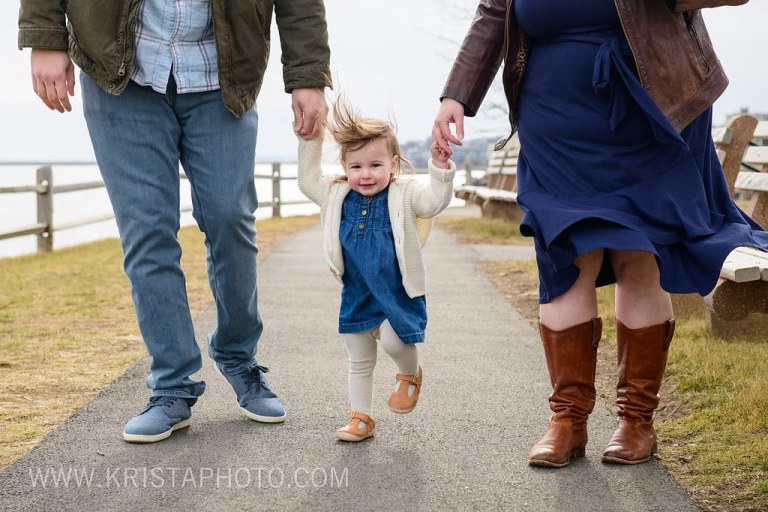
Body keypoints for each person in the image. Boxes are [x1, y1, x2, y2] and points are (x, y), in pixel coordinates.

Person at [433, 0, 766, 467]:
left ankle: (636, 421)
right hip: (553, 117)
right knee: (565, 256)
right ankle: (567, 420)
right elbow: (494, 11)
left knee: (639, 255)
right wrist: (457, 94)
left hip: (649, 105)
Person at [18, 0, 331, 443]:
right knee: (147, 233)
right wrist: (44, 37)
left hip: (221, 74)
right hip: (121, 73)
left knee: (231, 221)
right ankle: (172, 385)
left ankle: (238, 356)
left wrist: (307, 75)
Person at [298, 99, 455, 441]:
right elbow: (309, 180)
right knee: (358, 358)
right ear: (344, 165)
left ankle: (409, 373)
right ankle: (361, 418)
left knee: (393, 343)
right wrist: (310, 138)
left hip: (397, 292)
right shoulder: (336, 194)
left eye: (374, 165)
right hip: (356, 293)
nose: (364, 174)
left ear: (393, 163)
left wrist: (440, 168)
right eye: (355, 166)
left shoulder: (405, 193)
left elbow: (434, 202)